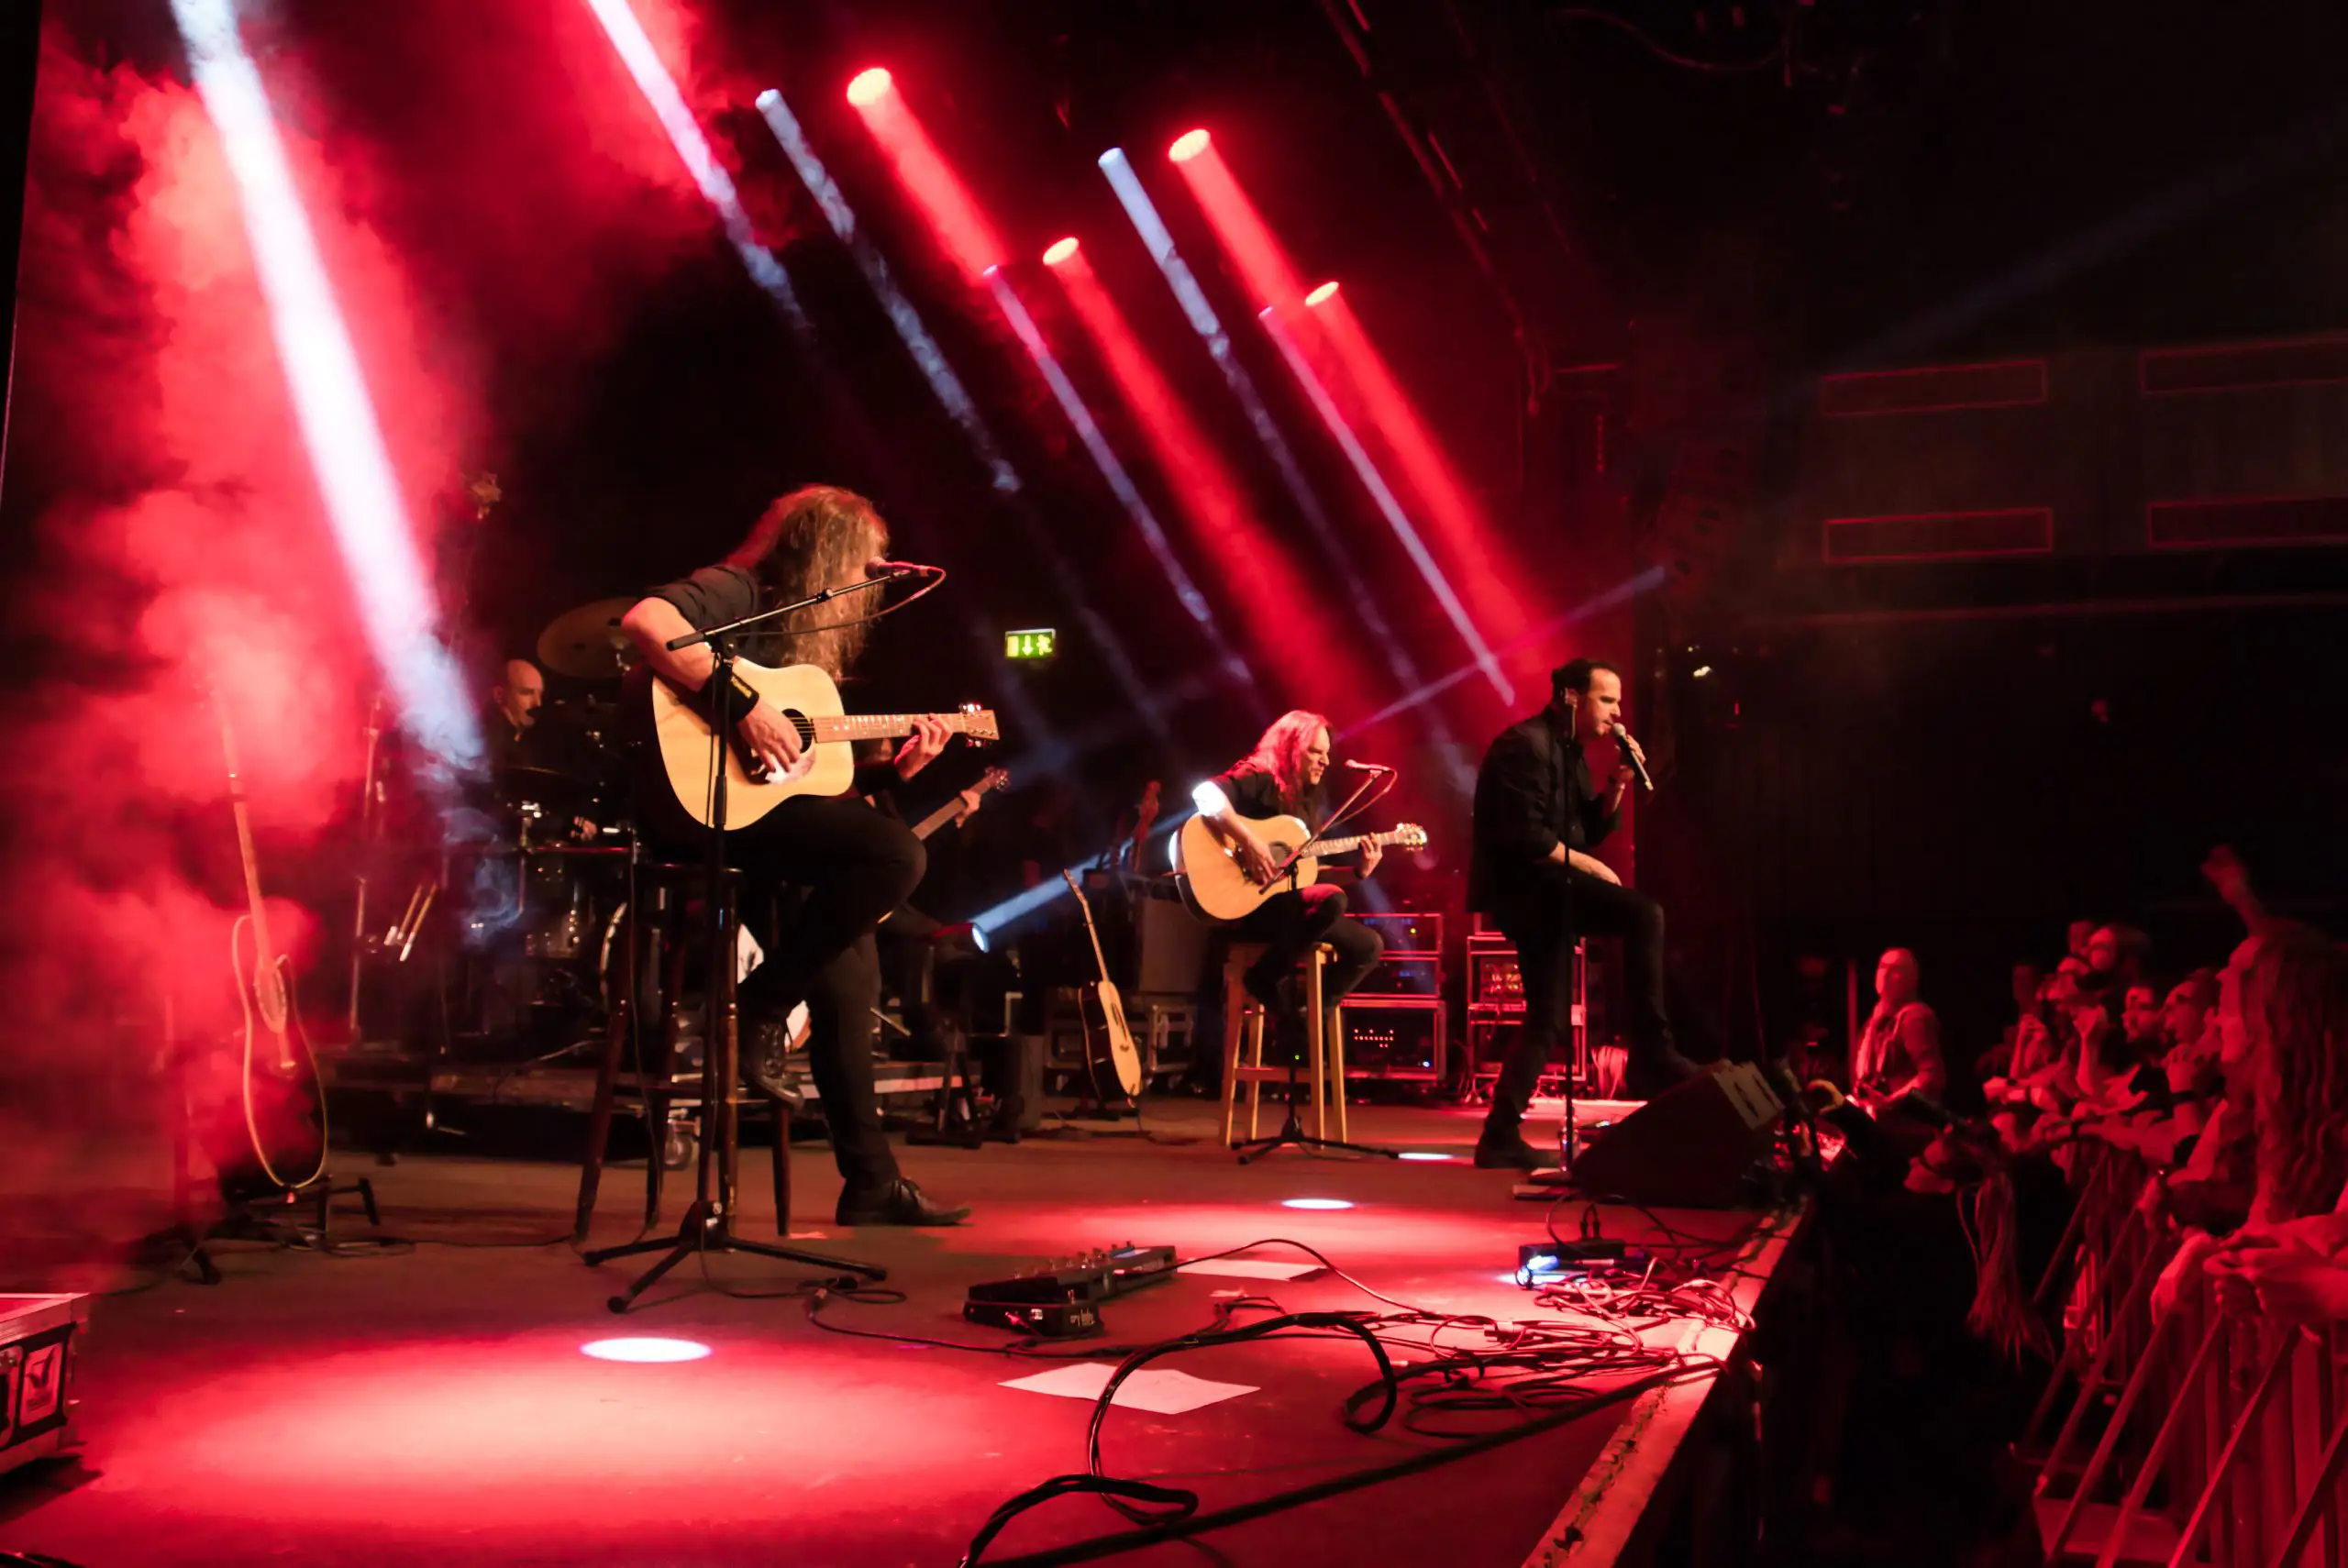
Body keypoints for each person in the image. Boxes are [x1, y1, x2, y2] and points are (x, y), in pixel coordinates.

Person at [619, 484, 969, 1227]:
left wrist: (891, 773)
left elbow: (797, 782)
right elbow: (646, 622)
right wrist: (742, 704)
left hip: (760, 819)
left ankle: (871, 1183)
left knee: (852, 964)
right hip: (696, 814)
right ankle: (764, 1007)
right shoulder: (740, 589)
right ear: (823, 552)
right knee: (896, 857)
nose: (868, 584)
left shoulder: (807, 654)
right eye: (861, 565)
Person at [1468, 657, 1696, 1171]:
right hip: (1528, 891)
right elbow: (1527, 837)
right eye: (1608, 700)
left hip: (1551, 888)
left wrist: (1617, 783)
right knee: (1644, 914)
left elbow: (1583, 831)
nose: (1617, 713)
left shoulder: (1570, 753)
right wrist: (1589, 865)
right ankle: (1653, 1050)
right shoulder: (1522, 746)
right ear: (1572, 697)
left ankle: (1499, 1135)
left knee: (1546, 1018)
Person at [1189, 711, 1385, 1046]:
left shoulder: (1308, 804)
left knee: (1369, 945)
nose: (1325, 762)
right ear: (1291, 747)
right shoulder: (1260, 776)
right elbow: (1204, 795)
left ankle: (1310, 1018)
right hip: (1248, 905)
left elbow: (1306, 875)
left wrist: (1357, 872)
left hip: (1289, 910)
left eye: (1327, 753)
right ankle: (1265, 977)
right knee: (1333, 899)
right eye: (1315, 752)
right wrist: (1249, 842)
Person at [1850, 948, 1947, 1124]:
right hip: (1880, 1122)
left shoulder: (1915, 1018)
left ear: (1911, 978)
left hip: (1909, 1127)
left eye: (1895, 970)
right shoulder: (1874, 1021)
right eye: (1882, 967)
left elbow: (1931, 1076)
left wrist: (1891, 1101)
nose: (1885, 974)